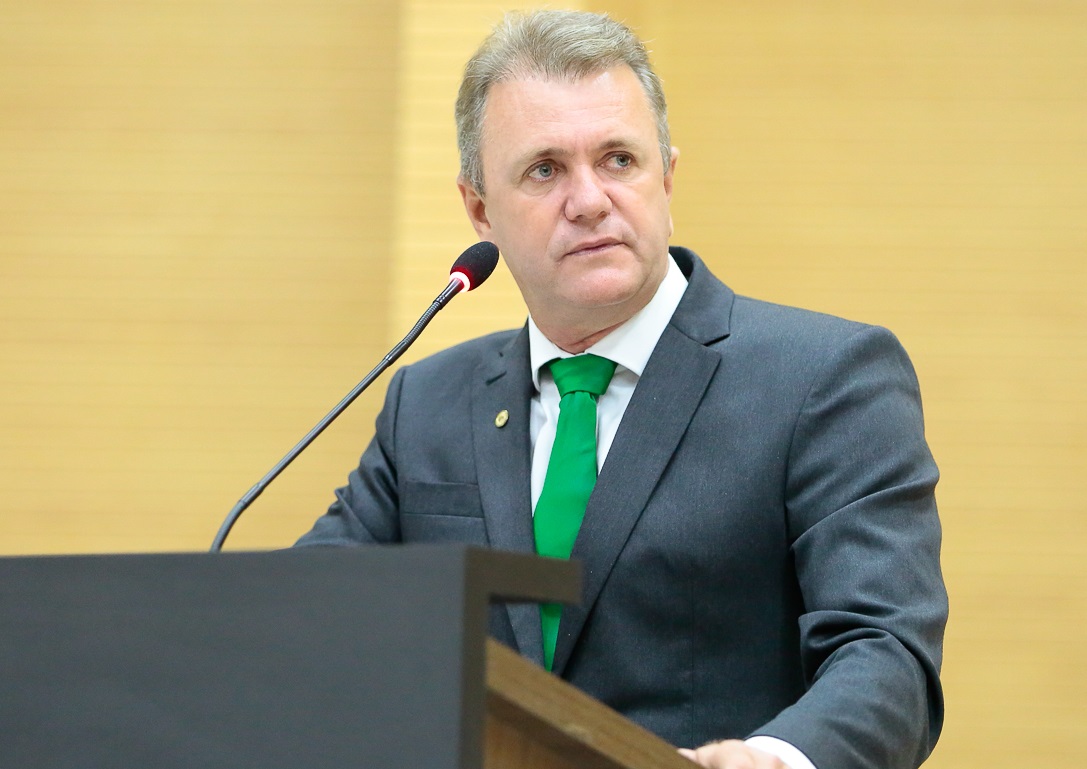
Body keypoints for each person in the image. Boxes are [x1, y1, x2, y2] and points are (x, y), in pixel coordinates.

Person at [296, 10, 947, 769]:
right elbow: (306, 612)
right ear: (479, 210)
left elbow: (885, 650)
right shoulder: (428, 403)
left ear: (665, 176)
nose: (589, 200)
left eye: (617, 160)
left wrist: (773, 757)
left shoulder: (823, 379)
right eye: (545, 170)